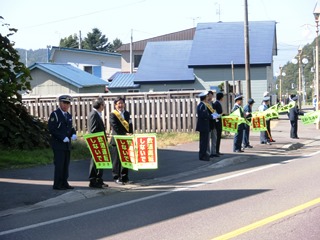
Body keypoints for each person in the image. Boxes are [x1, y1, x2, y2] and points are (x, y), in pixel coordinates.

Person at [48, 95, 77, 190]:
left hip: (67, 144)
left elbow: (70, 128)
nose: (65, 105)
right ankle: (57, 184)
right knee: (59, 165)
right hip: (58, 144)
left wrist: (73, 134)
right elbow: (52, 129)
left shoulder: (69, 115)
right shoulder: (55, 114)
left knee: (65, 165)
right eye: (64, 103)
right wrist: (62, 137)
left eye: (67, 103)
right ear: (60, 103)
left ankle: (64, 182)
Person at [109, 97, 133, 185]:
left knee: (126, 158)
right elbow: (115, 126)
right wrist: (124, 134)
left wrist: (130, 133)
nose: (120, 105)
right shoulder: (113, 114)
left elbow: (130, 124)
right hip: (117, 139)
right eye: (118, 103)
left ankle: (125, 177)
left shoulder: (127, 113)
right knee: (117, 160)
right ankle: (116, 177)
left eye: (122, 103)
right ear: (115, 105)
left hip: (126, 139)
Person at [88, 97, 109, 188]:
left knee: (100, 161)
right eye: (103, 104)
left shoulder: (97, 114)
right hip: (96, 141)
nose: (104, 106)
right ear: (100, 105)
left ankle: (99, 179)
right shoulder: (93, 114)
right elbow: (93, 130)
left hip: (100, 140)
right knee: (95, 161)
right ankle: (93, 180)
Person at [196, 91, 210, 161]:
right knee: (203, 141)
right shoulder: (202, 105)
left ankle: (204, 154)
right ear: (204, 98)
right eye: (207, 96)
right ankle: (202, 155)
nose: (208, 97)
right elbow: (203, 115)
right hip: (203, 126)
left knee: (204, 141)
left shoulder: (204, 105)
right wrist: (210, 116)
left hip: (204, 126)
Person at [206, 91, 219, 158]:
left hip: (214, 123)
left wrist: (217, 116)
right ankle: (208, 153)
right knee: (208, 139)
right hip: (208, 123)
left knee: (214, 138)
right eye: (209, 95)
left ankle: (213, 152)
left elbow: (214, 112)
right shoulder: (205, 104)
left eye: (212, 95)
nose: (211, 97)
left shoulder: (212, 104)